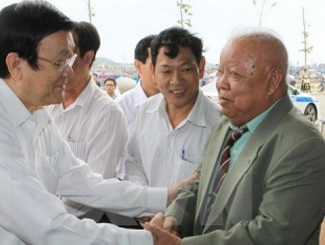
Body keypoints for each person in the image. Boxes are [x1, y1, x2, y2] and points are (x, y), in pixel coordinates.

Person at [0, 2, 190, 244]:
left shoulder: (36, 112)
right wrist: (148, 242)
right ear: (15, 64)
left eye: (70, 59)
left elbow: (81, 181)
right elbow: (47, 226)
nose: (68, 70)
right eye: (59, 61)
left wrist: (165, 197)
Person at [145, 28, 325, 245]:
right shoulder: (225, 124)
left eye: (234, 75)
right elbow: (201, 183)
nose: (221, 83)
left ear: (273, 81)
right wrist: (173, 217)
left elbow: (272, 234)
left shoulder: (303, 146)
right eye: (220, 72)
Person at [45, 21, 129, 220]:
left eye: (67, 57)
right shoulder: (46, 104)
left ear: (88, 57)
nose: (60, 66)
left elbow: (93, 191)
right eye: (56, 58)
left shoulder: (107, 114)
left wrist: (47, 222)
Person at [124, 27, 221, 189]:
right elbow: (134, 161)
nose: (176, 80)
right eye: (166, 71)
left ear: (201, 67)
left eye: (186, 69)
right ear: (154, 71)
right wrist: (145, 200)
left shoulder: (219, 125)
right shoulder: (146, 111)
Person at [115, 34, 159, 134]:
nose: (163, 70)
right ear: (138, 66)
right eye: (155, 64)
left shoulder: (180, 105)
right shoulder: (119, 110)